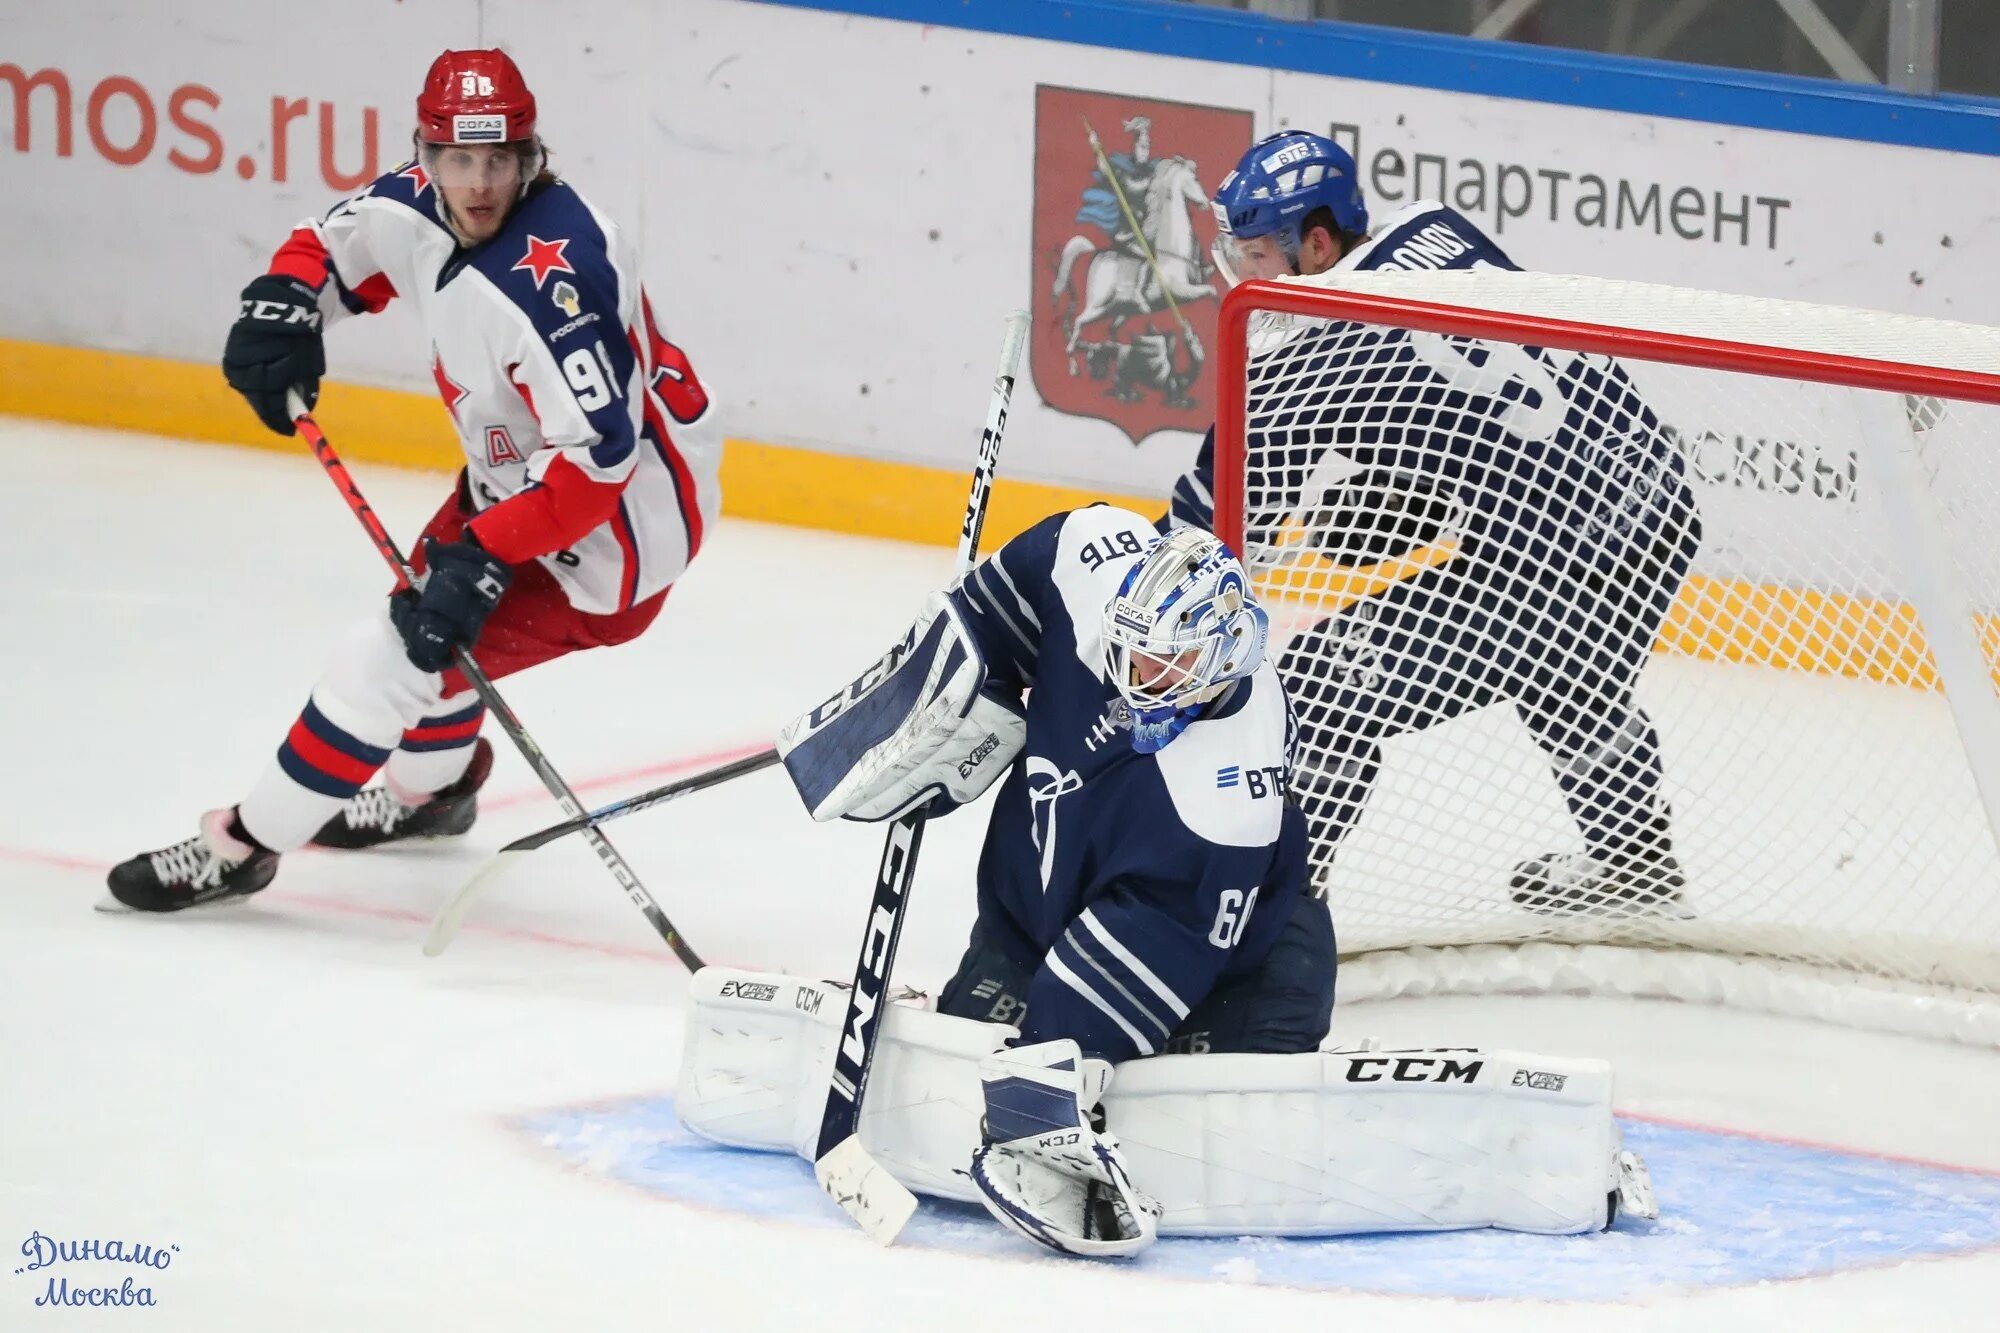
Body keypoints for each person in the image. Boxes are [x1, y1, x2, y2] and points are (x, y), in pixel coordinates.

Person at [108, 49, 720, 911]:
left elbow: (596, 470)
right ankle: (431, 794)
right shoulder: (414, 203)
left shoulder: (558, 283)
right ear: (427, 157)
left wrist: (483, 554)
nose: (479, 184)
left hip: (611, 543)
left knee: (383, 660)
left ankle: (240, 847)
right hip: (518, 480)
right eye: (459, 161)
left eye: (500, 161)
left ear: (529, 158)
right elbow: (331, 244)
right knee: (427, 618)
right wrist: (286, 301)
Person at [1166, 130, 1701, 915]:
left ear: (1316, 243)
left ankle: (1273, 922)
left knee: (1318, 686)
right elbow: (1461, 399)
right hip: (1653, 500)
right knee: (1568, 672)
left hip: (1552, 558)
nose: (1243, 274)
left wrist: (1126, 580)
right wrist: (1397, 491)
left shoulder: (1315, 349)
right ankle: (1638, 868)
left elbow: (1212, 523)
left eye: (1254, 255)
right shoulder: (1439, 224)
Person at [777, 505, 1334, 1256]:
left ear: (1218, 662)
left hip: (1230, 967)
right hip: (1038, 900)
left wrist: (1044, 1078)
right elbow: (1001, 601)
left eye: (1163, 666)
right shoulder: (1088, 558)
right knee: (968, 1040)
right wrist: (950, 688)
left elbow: (1149, 942)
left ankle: (1194, 1050)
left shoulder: (1227, 797)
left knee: (1181, 1082)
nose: (1136, 674)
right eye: (1131, 650)